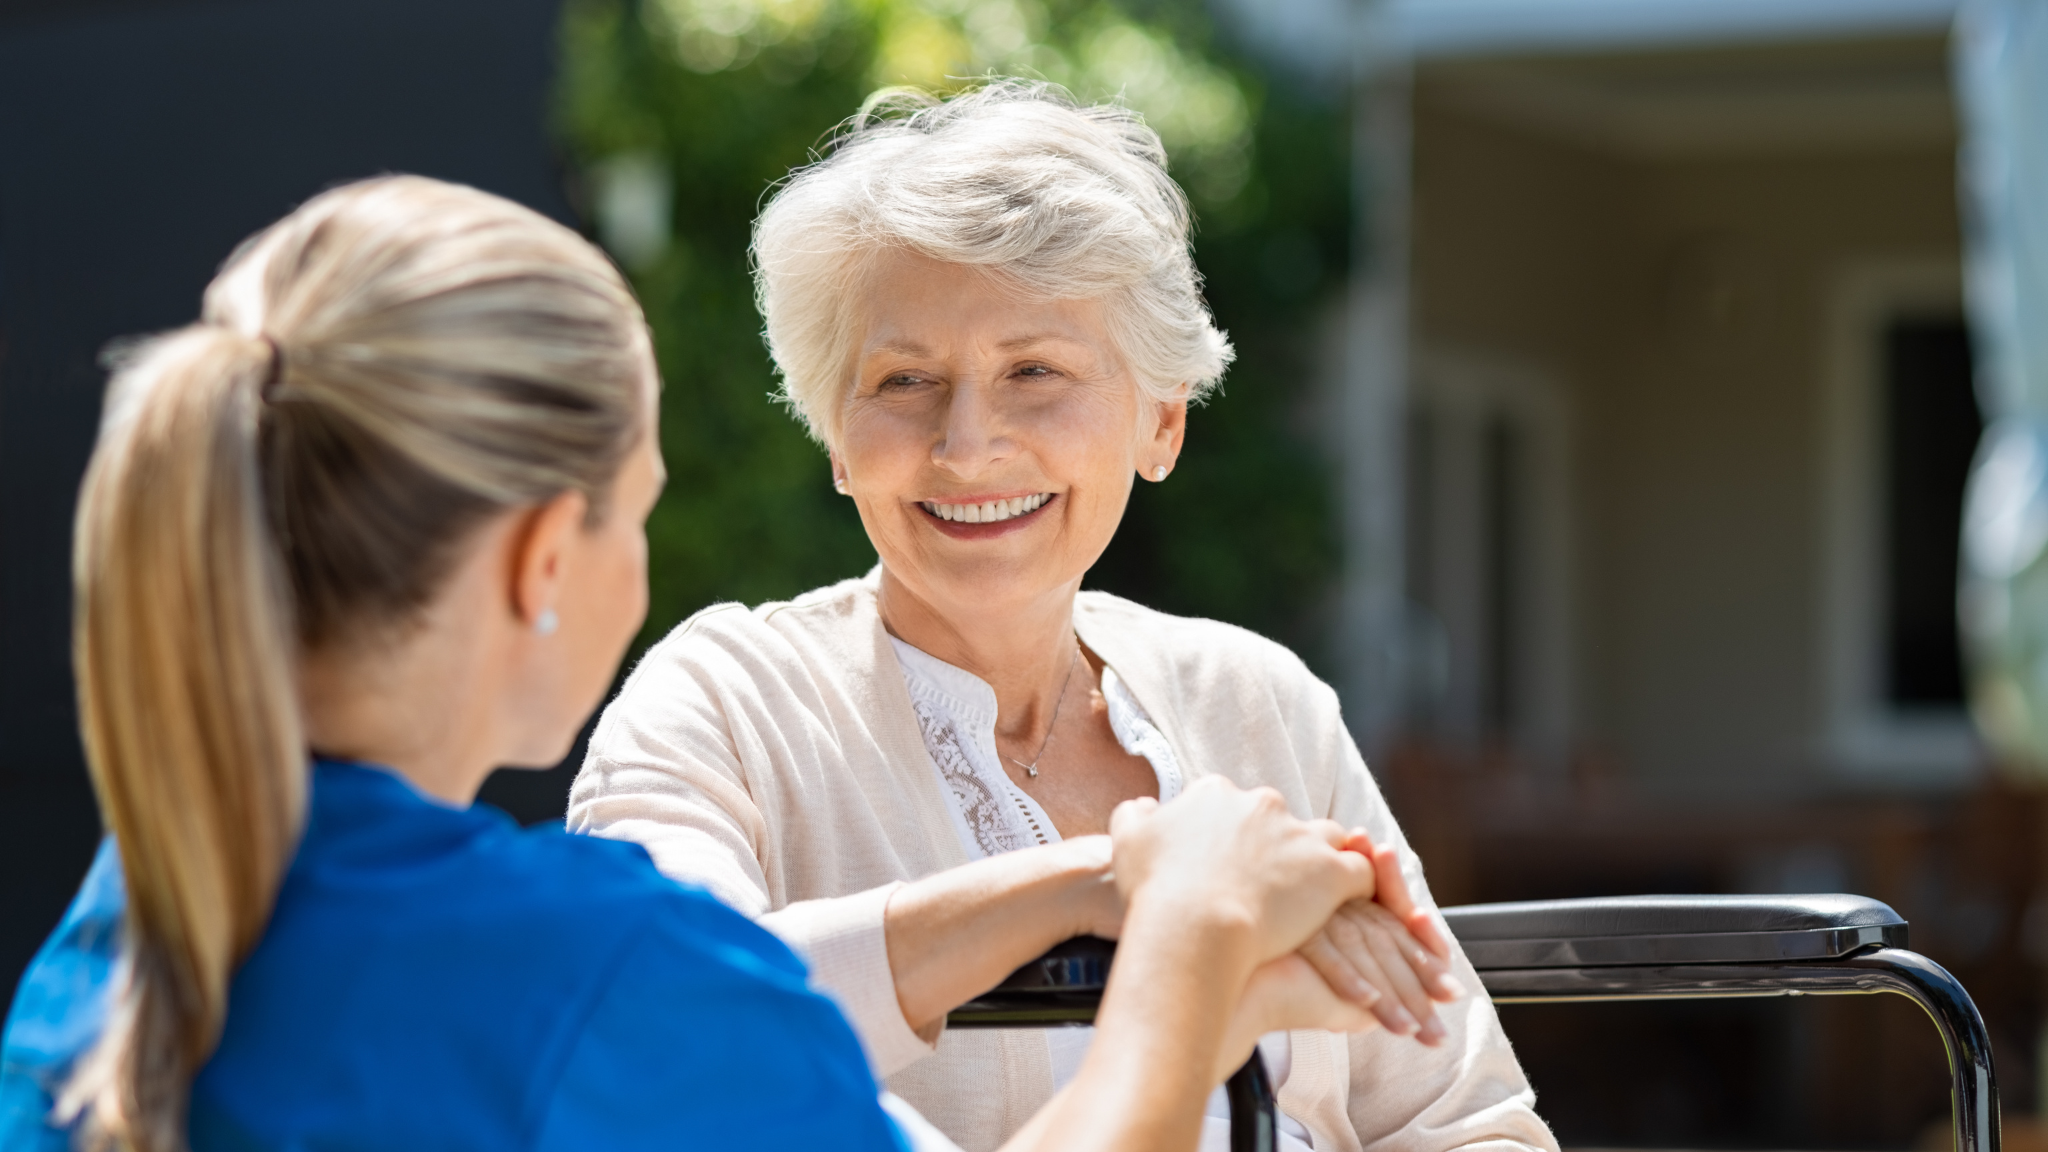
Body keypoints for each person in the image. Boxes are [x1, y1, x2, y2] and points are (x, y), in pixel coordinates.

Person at [0, 175, 1391, 1152]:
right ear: (549, 560)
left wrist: (1092, 881)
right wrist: (1189, 950)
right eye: (646, 507)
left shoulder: (135, 921)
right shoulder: (600, 971)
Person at [567, 80, 1557, 1152]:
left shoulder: (1255, 699)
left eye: (1033, 370)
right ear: (836, 440)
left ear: (1159, 422)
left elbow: (1466, 1120)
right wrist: (1124, 886)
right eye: (904, 381)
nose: (965, 445)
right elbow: (652, 1018)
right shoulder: (724, 697)